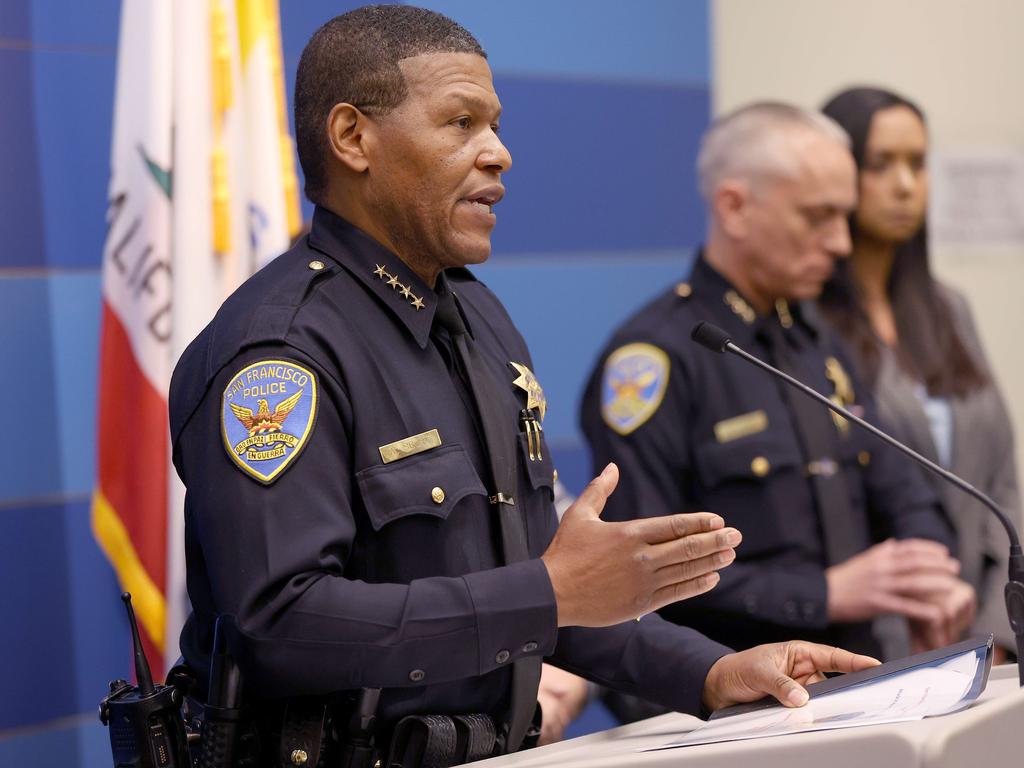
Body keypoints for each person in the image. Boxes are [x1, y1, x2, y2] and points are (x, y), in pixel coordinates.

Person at [168, 8, 877, 763]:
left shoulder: (478, 318)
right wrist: (550, 592)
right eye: (461, 122)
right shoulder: (280, 352)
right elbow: (280, 622)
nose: (498, 154)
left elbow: (539, 597)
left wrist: (710, 671)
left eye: (496, 125)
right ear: (353, 139)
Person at [580, 102, 977, 670]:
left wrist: (930, 574)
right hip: (738, 698)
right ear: (736, 208)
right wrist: (824, 594)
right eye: (819, 217)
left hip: (863, 676)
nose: (842, 243)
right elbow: (639, 575)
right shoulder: (655, 360)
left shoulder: (817, 340)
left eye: (845, 215)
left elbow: (905, 487)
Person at [818, 87, 1022, 661]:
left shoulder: (948, 308)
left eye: (917, 163)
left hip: (982, 628)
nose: (906, 186)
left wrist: (996, 634)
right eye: (880, 165)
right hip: (874, 641)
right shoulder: (810, 325)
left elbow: (1002, 478)